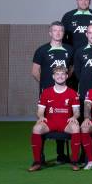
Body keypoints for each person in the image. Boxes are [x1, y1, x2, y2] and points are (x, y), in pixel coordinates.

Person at [31, 21, 74, 163]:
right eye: (55, 30)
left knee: (63, 118)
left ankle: (61, 154)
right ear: (50, 32)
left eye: (60, 31)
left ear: (63, 33)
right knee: (43, 120)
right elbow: (35, 71)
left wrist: (63, 83)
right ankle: (40, 156)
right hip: (48, 94)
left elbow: (72, 69)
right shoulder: (41, 50)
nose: (57, 33)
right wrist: (46, 86)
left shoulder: (69, 49)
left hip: (63, 93)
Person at [28, 66, 81, 172]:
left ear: (66, 76)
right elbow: (40, 111)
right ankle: (37, 162)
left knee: (76, 128)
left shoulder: (72, 93)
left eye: (62, 74)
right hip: (50, 122)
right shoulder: (46, 92)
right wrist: (41, 117)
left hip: (65, 123)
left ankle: (74, 161)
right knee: (36, 128)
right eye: (57, 74)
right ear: (53, 76)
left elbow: (77, 111)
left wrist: (74, 117)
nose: (60, 76)